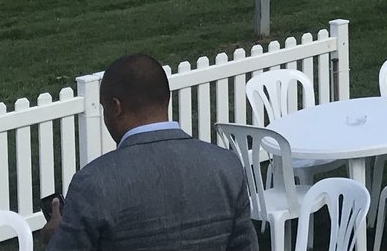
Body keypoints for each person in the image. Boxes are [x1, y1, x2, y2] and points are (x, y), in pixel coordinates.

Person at [43, 53, 257, 250]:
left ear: (116, 107)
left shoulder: (92, 184)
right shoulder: (226, 166)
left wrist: (54, 236)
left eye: (104, 108)